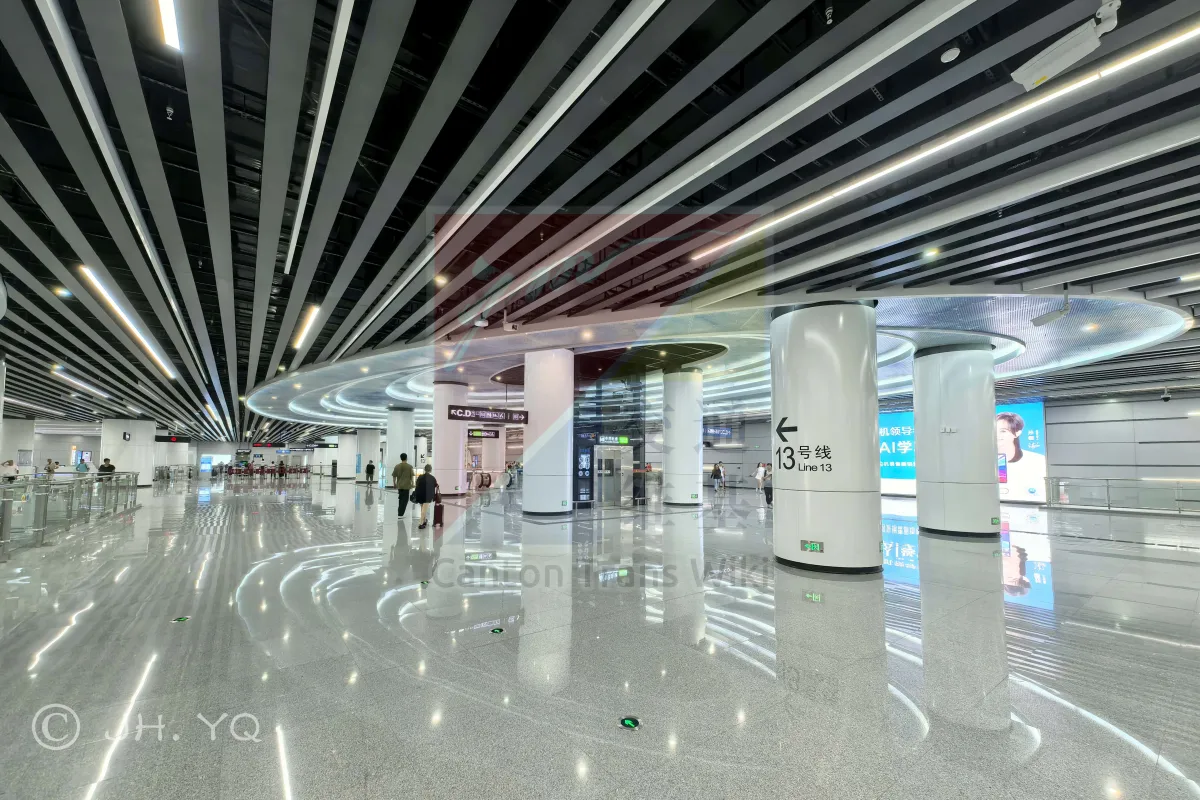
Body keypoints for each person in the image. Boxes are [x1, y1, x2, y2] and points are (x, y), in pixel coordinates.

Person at [996, 411, 1047, 499]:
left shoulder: (1038, 460)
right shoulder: (985, 461)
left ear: (1017, 433)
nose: (997, 435)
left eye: (1003, 431)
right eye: (994, 430)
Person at [413, 464, 439, 530]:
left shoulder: (420, 477)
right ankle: (420, 523)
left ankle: (424, 521)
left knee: (422, 508)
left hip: (419, 495)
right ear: (430, 470)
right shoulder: (432, 478)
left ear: (424, 469)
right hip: (427, 496)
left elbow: (416, 484)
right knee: (424, 510)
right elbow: (436, 485)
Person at [392, 453, 414, 517]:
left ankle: (399, 512)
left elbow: (394, 476)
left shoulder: (397, 466)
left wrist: (394, 483)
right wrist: (412, 484)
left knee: (401, 499)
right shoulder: (409, 467)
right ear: (406, 458)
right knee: (405, 500)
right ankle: (400, 514)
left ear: (400, 458)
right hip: (406, 486)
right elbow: (412, 477)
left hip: (399, 485)